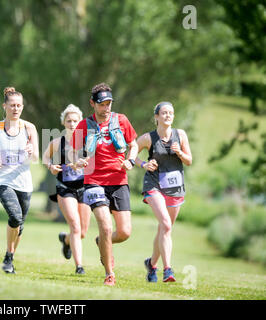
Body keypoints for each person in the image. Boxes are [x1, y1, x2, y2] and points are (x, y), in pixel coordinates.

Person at [71, 83, 138, 286]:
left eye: (109, 103)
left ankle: (102, 243)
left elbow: (133, 145)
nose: (106, 107)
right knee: (106, 227)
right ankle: (110, 273)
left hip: (118, 181)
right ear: (93, 103)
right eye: (102, 103)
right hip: (93, 181)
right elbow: (73, 152)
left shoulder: (122, 120)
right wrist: (78, 161)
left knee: (124, 232)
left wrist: (131, 160)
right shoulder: (84, 125)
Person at [0, 87, 39, 274]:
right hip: (3, 181)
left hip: (24, 183)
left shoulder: (29, 128)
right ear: (4, 106)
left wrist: (31, 151)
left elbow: (36, 157)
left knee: (19, 226)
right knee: (15, 217)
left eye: (19, 105)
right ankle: (8, 258)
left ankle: (9, 257)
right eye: (12, 105)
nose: (16, 109)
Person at [134, 101, 192, 283]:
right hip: (154, 185)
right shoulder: (148, 138)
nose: (168, 116)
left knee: (164, 229)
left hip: (175, 187)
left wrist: (180, 153)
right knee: (166, 225)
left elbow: (189, 160)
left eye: (171, 113)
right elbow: (131, 153)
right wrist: (144, 164)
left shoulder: (180, 135)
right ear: (156, 117)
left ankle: (151, 265)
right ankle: (168, 270)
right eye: (164, 113)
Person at [42, 104, 91, 275]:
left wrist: (85, 163)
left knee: (83, 232)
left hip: (84, 188)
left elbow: (95, 162)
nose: (72, 124)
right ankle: (79, 267)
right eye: (69, 121)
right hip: (65, 188)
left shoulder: (87, 142)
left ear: (81, 122)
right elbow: (45, 157)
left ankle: (66, 239)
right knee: (75, 226)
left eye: (75, 121)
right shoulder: (57, 142)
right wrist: (51, 167)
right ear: (63, 123)